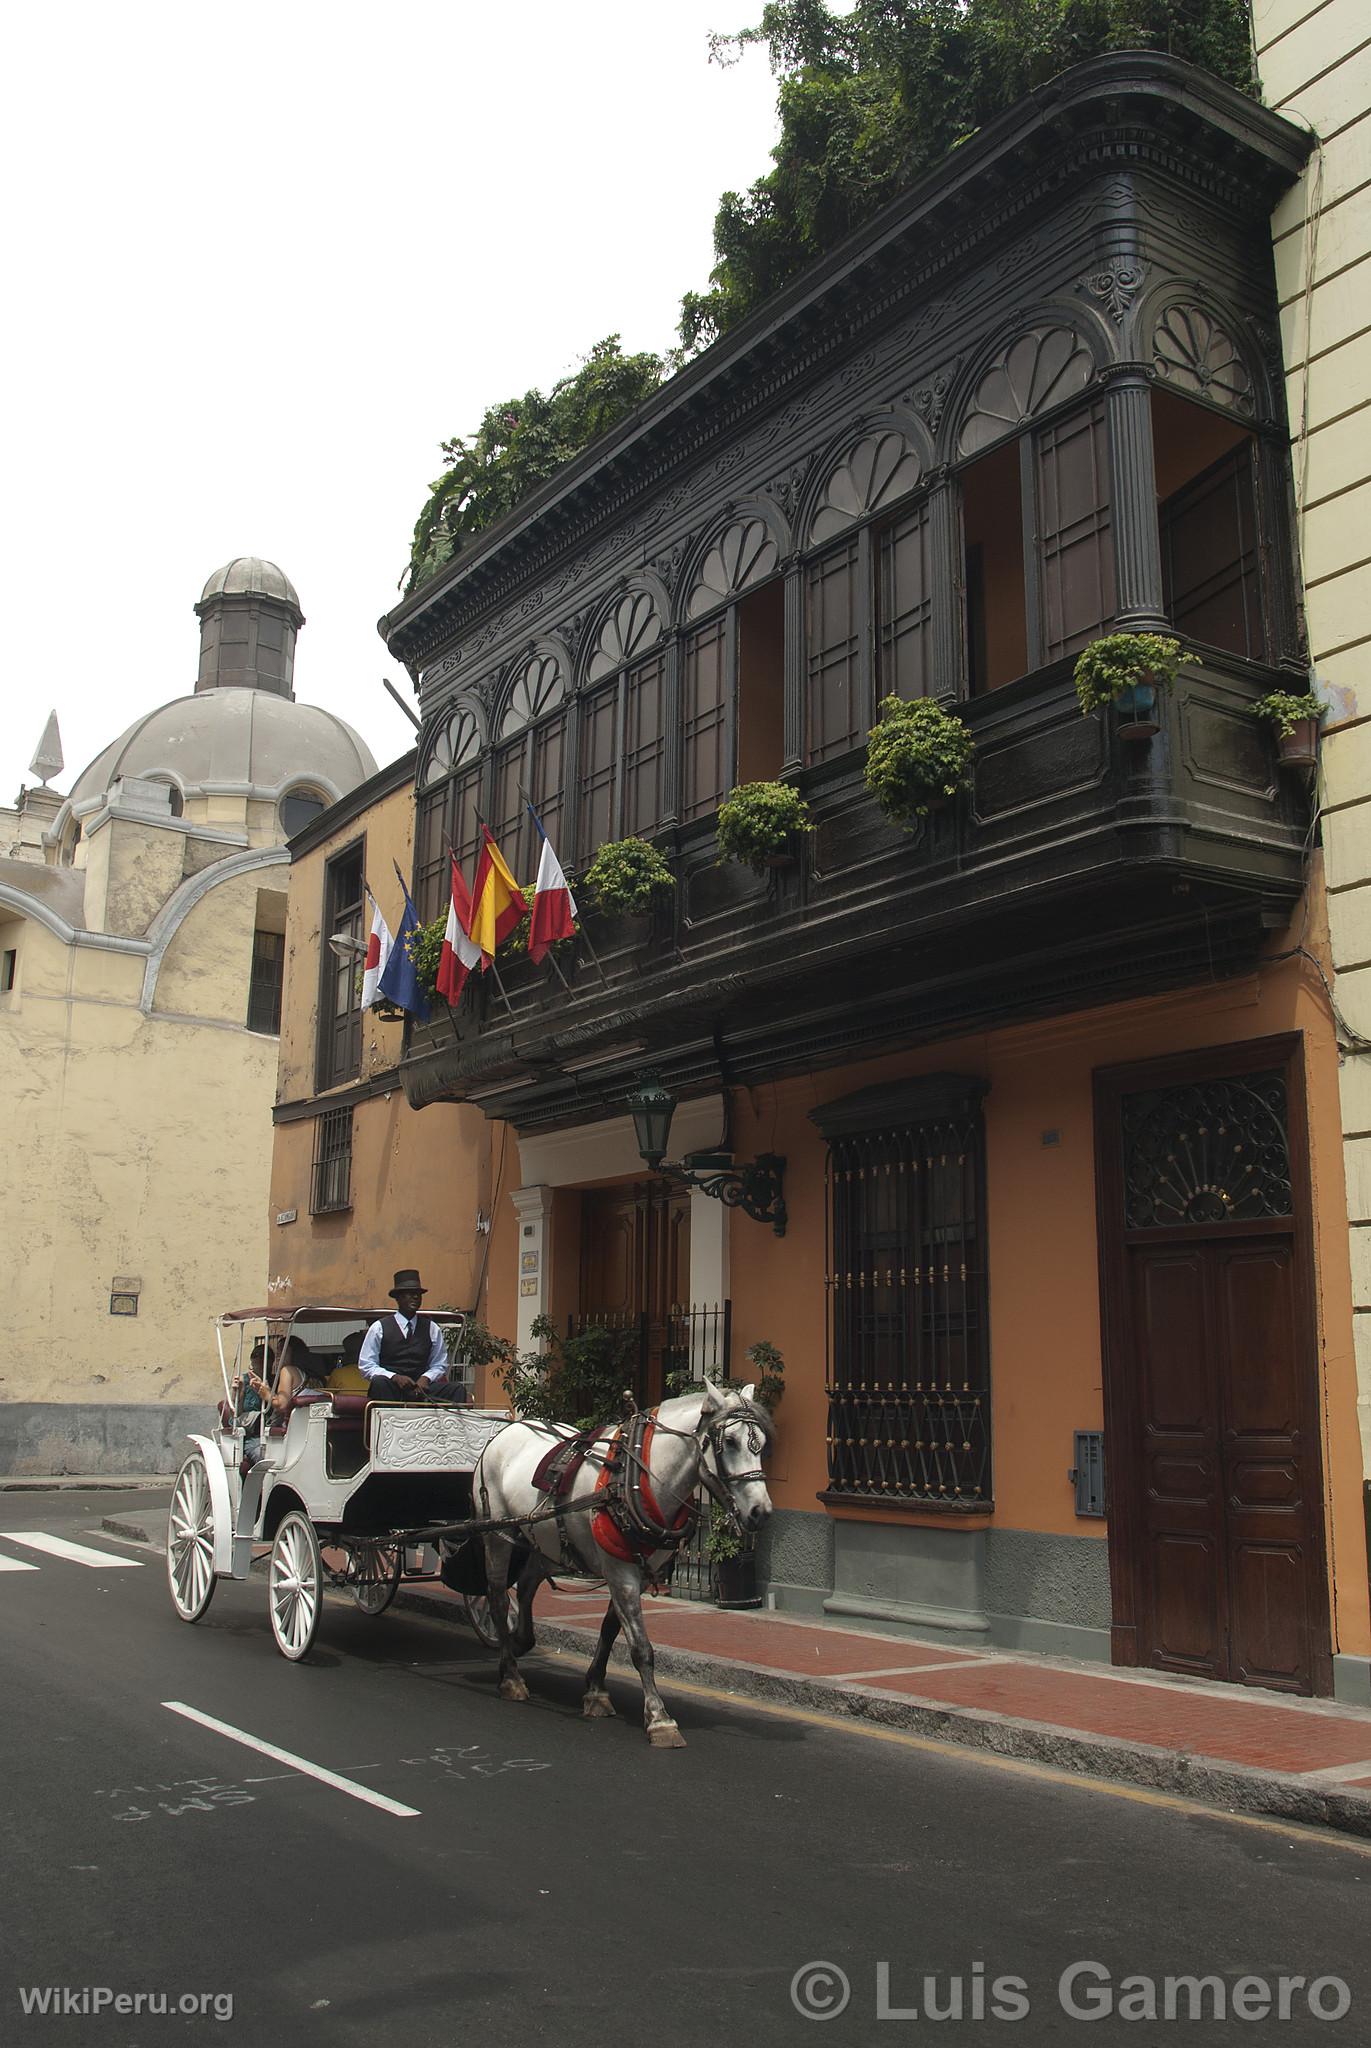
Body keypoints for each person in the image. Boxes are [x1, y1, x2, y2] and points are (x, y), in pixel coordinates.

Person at [358, 1270, 461, 1401]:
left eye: (418, 1294)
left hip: (421, 1389)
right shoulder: (379, 1327)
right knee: (379, 1383)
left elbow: (439, 1364)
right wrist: (394, 1377)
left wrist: (426, 1378)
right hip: (391, 1388)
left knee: (456, 1390)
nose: (416, 1297)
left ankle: (449, 1422)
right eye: (410, 1294)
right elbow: (366, 1365)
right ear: (398, 1298)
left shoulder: (432, 1328)